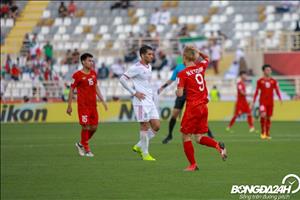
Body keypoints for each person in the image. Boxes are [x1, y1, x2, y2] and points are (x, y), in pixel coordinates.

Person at [176, 46, 227, 171]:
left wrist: (177, 89)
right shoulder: (200, 67)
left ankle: (193, 165)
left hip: (193, 107)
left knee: (185, 136)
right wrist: (199, 52)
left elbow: (180, 94)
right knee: (198, 137)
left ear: (184, 57)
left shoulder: (182, 73)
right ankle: (218, 146)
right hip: (204, 107)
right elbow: (207, 58)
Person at [119, 45, 160, 161]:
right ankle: (145, 153)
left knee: (156, 126)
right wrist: (134, 92)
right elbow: (122, 79)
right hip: (140, 101)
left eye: (152, 54)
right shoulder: (135, 67)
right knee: (144, 125)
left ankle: (139, 145)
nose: (151, 56)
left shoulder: (149, 66)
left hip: (149, 101)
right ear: (142, 55)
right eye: (149, 54)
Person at [158, 62, 215, 144]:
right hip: (182, 92)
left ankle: (209, 133)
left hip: (192, 93)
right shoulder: (179, 67)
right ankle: (169, 135)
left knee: (198, 113)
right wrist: (162, 87)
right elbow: (172, 79)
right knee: (175, 114)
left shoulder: (195, 66)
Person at [66, 53, 108, 157]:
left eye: (92, 61)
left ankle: (80, 144)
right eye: (89, 60)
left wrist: (102, 100)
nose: (91, 62)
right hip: (83, 105)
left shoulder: (93, 73)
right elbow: (71, 90)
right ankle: (87, 149)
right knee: (86, 126)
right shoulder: (77, 75)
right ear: (83, 62)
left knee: (94, 128)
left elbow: (96, 87)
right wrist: (69, 105)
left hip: (93, 105)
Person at [252, 64, 282, 140]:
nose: (269, 71)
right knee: (263, 115)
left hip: (270, 102)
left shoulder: (273, 81)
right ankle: (262, 132)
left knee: (268, 118)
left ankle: (267, 134)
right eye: (267, 70)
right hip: (262, 102)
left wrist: (280, 98)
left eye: (270, 70)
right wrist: (254, 100)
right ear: (264, 71)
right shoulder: (260, 81)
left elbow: (277, 90)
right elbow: (256, 91)